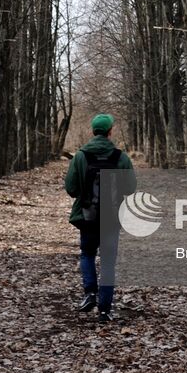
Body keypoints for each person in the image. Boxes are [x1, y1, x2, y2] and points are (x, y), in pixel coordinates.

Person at [64, 113, 135, 322]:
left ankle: (90, 293)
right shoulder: (120, 157)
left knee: (86, 253)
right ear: (110, 131)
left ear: (93, 131)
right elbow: (130, 188)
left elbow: (71, 188)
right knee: (108, 263)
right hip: (112, 218)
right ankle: (104, 310)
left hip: (87, 216)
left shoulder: (80, 156)